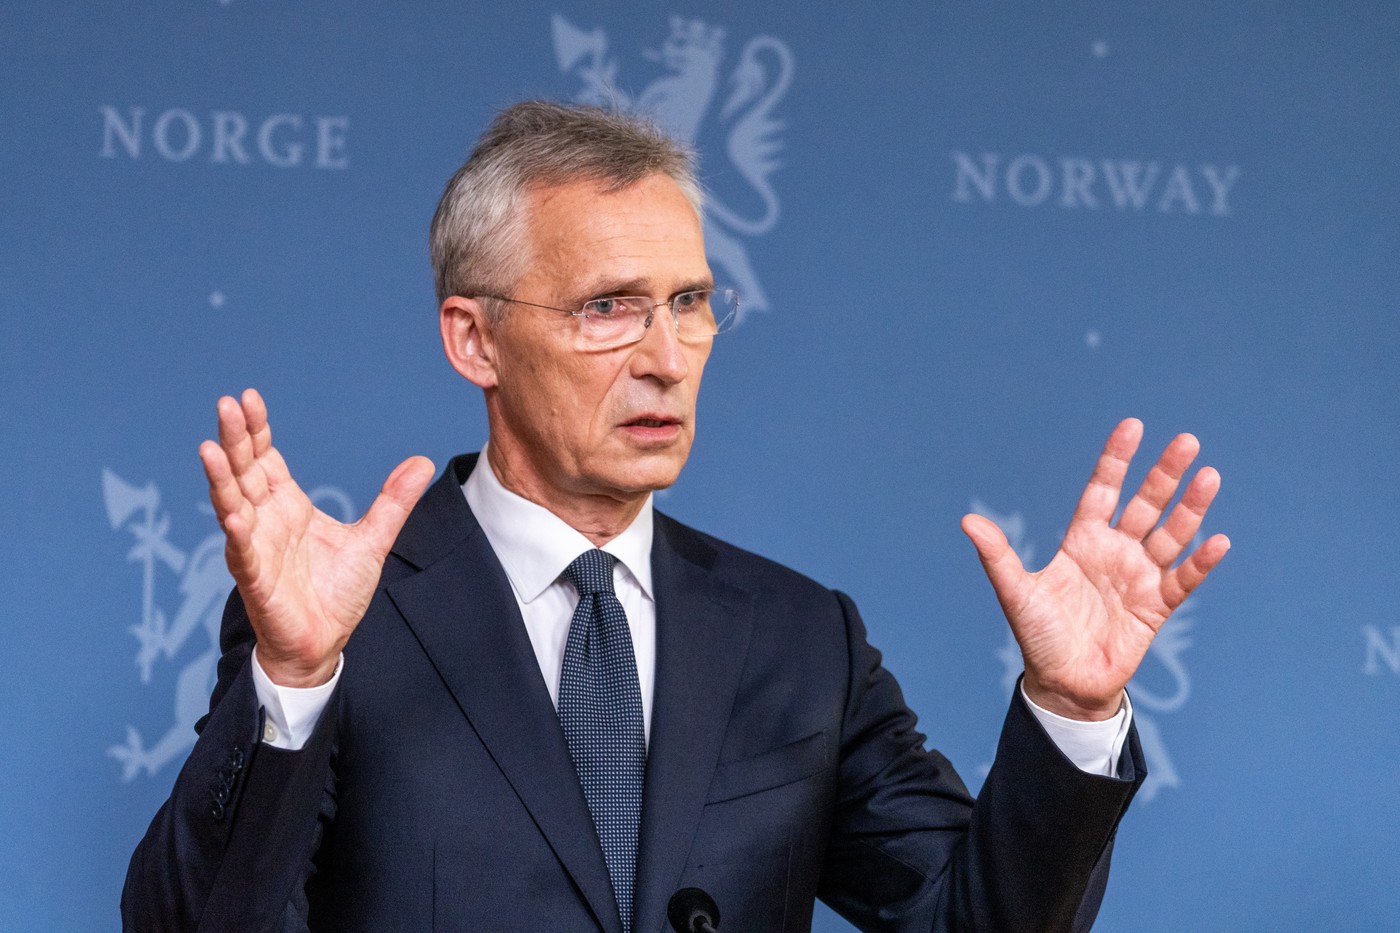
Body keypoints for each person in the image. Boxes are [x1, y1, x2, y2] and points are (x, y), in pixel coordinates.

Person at [122, 101, 1229, 933]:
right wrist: (295, 680)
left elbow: (969, 921)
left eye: (689, 303)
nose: (664, 360)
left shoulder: (803, 640)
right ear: (473, 340)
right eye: (608, 307)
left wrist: (1069, 711)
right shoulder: (339, 622)